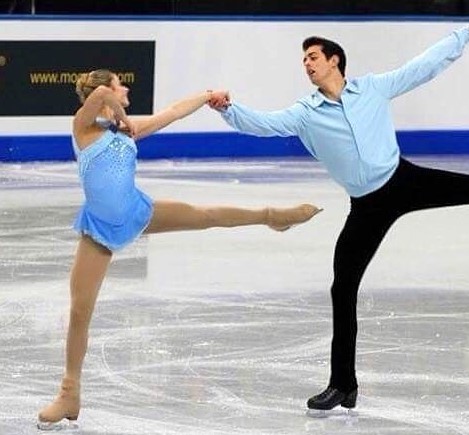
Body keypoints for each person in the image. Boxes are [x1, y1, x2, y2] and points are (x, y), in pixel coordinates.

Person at [208, 22, 469, 412]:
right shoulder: (305, 112)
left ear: (335, 60)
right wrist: (230, 109)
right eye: (303, 60)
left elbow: (422, 68)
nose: (307, 64)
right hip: (366, 205)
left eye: (313, 56)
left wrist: (467, 34)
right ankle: (343, 385)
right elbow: (263, 124)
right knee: (342, 288)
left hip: (405, 181)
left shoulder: (371, 88)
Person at [37, 69, 321, 429]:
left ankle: (271, 216)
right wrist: (123, 118)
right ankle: (69, 393)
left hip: (136, 210)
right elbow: (99, 101)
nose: (125, 88)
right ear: (106, 88)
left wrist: (205, 97)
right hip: (99, 230)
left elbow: (172, 112)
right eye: (119, 84)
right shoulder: (83, 127)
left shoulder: (123, 131)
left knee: (205, 215)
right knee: (80, 312)